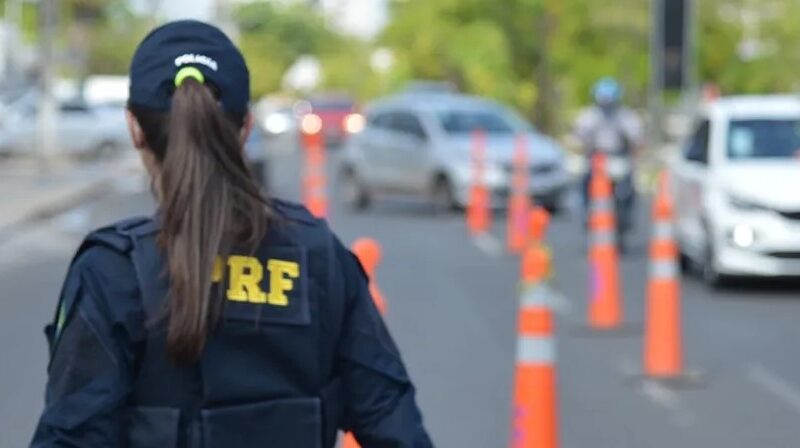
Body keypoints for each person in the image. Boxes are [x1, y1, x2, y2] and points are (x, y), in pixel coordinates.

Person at [31, 20, 432, 448]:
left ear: (134, 128)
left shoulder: (112, 270)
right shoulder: (319, 257)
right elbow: (395, 427)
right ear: (245, 127)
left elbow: (71, 436)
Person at [574, 77, 644, 235]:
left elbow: (636, 137)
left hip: (619, 158)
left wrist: (635, 151)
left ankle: (625, 215)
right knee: (586, 181)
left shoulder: (624, 116)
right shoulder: (590, 116)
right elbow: (580, 136)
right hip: (597, 159)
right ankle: (587, 211)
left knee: (628, 185)